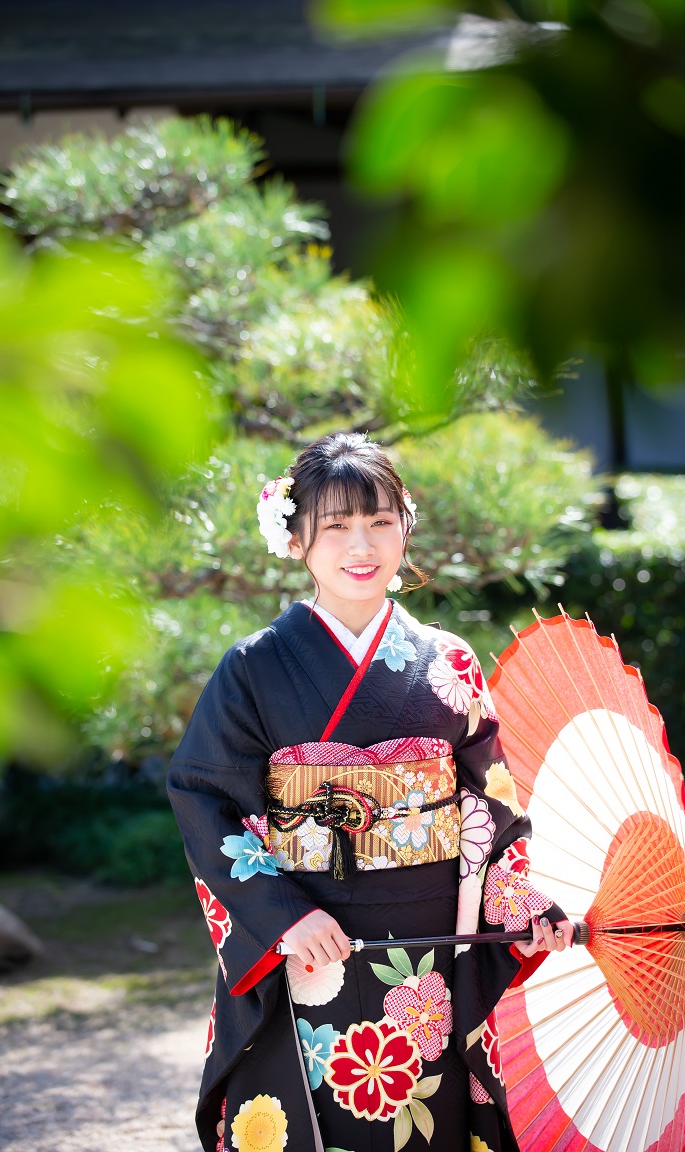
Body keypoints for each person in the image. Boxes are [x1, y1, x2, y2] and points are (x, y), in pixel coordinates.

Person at [167, 432, 573, 1152]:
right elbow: (205, 793)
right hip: (307, 950)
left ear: (405, 528)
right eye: (336, 526)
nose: (363, 545)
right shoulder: (254, 668)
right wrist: (283, 915)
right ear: (295, 541)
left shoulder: (447, 661)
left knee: (422, 1121)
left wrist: (523, 906)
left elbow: (491, 804)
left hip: (425, 958)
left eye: (381, 521)